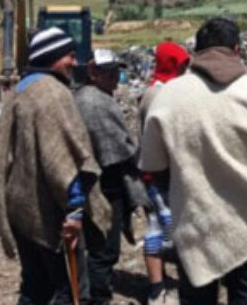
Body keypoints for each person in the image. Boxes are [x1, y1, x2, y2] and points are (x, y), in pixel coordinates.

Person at [140, 18, 247, 305]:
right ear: (236, 49)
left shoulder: (168, 96)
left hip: (195, 227)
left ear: (197, 51)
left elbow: (153, 165)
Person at [0, 27, 112, 305]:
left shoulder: (21, 90)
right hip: (52, 214)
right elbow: (63, 160)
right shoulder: (53, 94)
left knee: (34, 287)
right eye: (69, 56)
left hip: (23, 210)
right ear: (52, 56)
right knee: (68, 290)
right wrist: (74, 211)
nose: (74, 62)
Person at [75, 48, 148, 304]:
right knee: (103, 247)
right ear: (93, 73)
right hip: (105, 184)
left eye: (115, 71)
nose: (114, 77)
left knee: (99, 245)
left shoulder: (93, 97)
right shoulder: (95, 102)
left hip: (98, 181)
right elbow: (116, 147)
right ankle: (98, 296)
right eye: (109, 72)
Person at [140, 41, 190, 305]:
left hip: (162, 172)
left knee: (159, 227)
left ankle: (160, 287)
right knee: (163, 229)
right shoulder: (157, 95)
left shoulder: (163, 90)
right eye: (180, 65)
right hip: (158, 174)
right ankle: (158, 288)